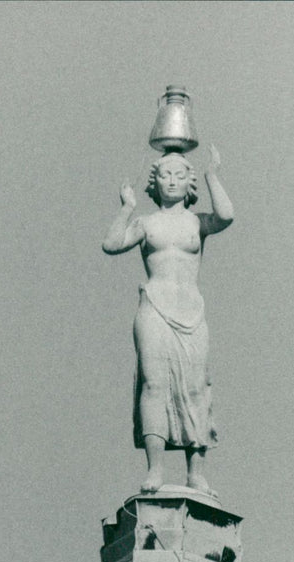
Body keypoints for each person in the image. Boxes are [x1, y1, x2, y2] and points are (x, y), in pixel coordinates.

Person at [102, 146, 233, 495]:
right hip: (155, 309)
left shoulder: (197, 222)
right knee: (154, 385)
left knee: (196, 387)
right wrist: (127, 207)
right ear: (155, 183)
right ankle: (155, 469)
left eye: (179, 175)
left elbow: (226, 216)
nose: (172, 181)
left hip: (191, 311)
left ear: (188, 182)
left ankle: (196, 472)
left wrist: (211, 175)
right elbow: (112, 243)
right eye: (165, 175)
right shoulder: (147, 224)